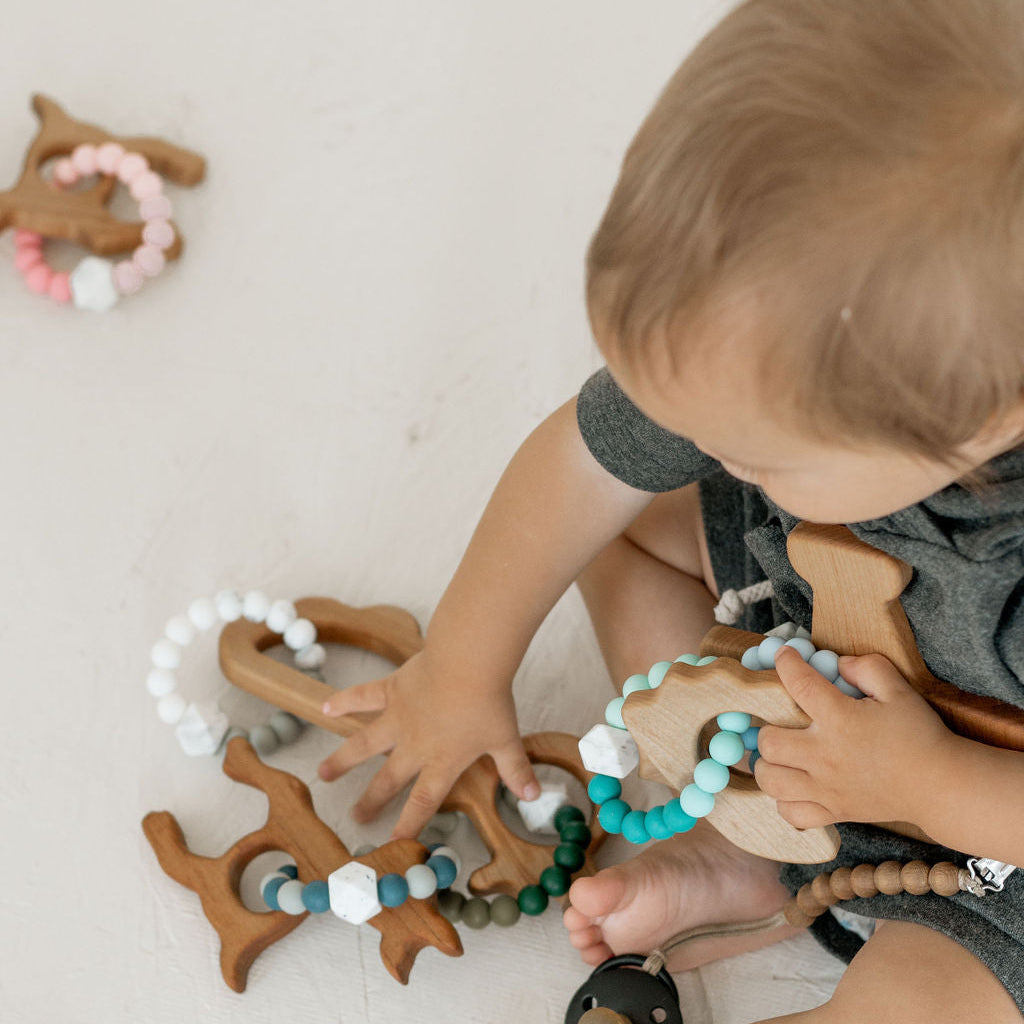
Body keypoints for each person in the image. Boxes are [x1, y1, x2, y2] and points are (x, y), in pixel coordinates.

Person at [318, 0, 1024, 1018]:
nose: (704, 445)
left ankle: (833, 865)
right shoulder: (784, 338)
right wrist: (461, 666)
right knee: (623, 537)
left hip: (989, 819)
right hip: (822, 639)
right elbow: (578, 471)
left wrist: (919, 789)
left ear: (981, 420)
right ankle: (748, 839)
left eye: (758, 449)